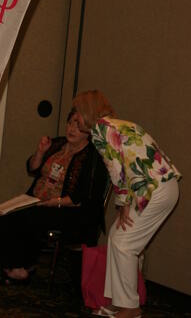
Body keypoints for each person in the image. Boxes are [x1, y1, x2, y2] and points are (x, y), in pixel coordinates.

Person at [71, 90, 181, 318]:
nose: (76, 118)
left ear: (87, 112)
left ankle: (130, 308)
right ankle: (117, 301)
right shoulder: (118, 125)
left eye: (78, 113)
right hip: (161, 187)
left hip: (155, 190)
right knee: (116, 236)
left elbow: (116, 170)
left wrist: (122, 204)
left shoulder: (101, 129)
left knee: (123, 243)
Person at [0, 111, 109, 284]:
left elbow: (84, 196)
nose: (71, 129)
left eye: (78, 126)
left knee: (26, 217)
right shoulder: (58, 143)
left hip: (68, 209)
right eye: (70, 123)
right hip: (37, 200)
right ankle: (19, 266)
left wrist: (53, 202)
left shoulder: (92, 157)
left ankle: (20, 267)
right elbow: (32, 168)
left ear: (88, 130)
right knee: (7, 213)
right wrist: (40, 152)